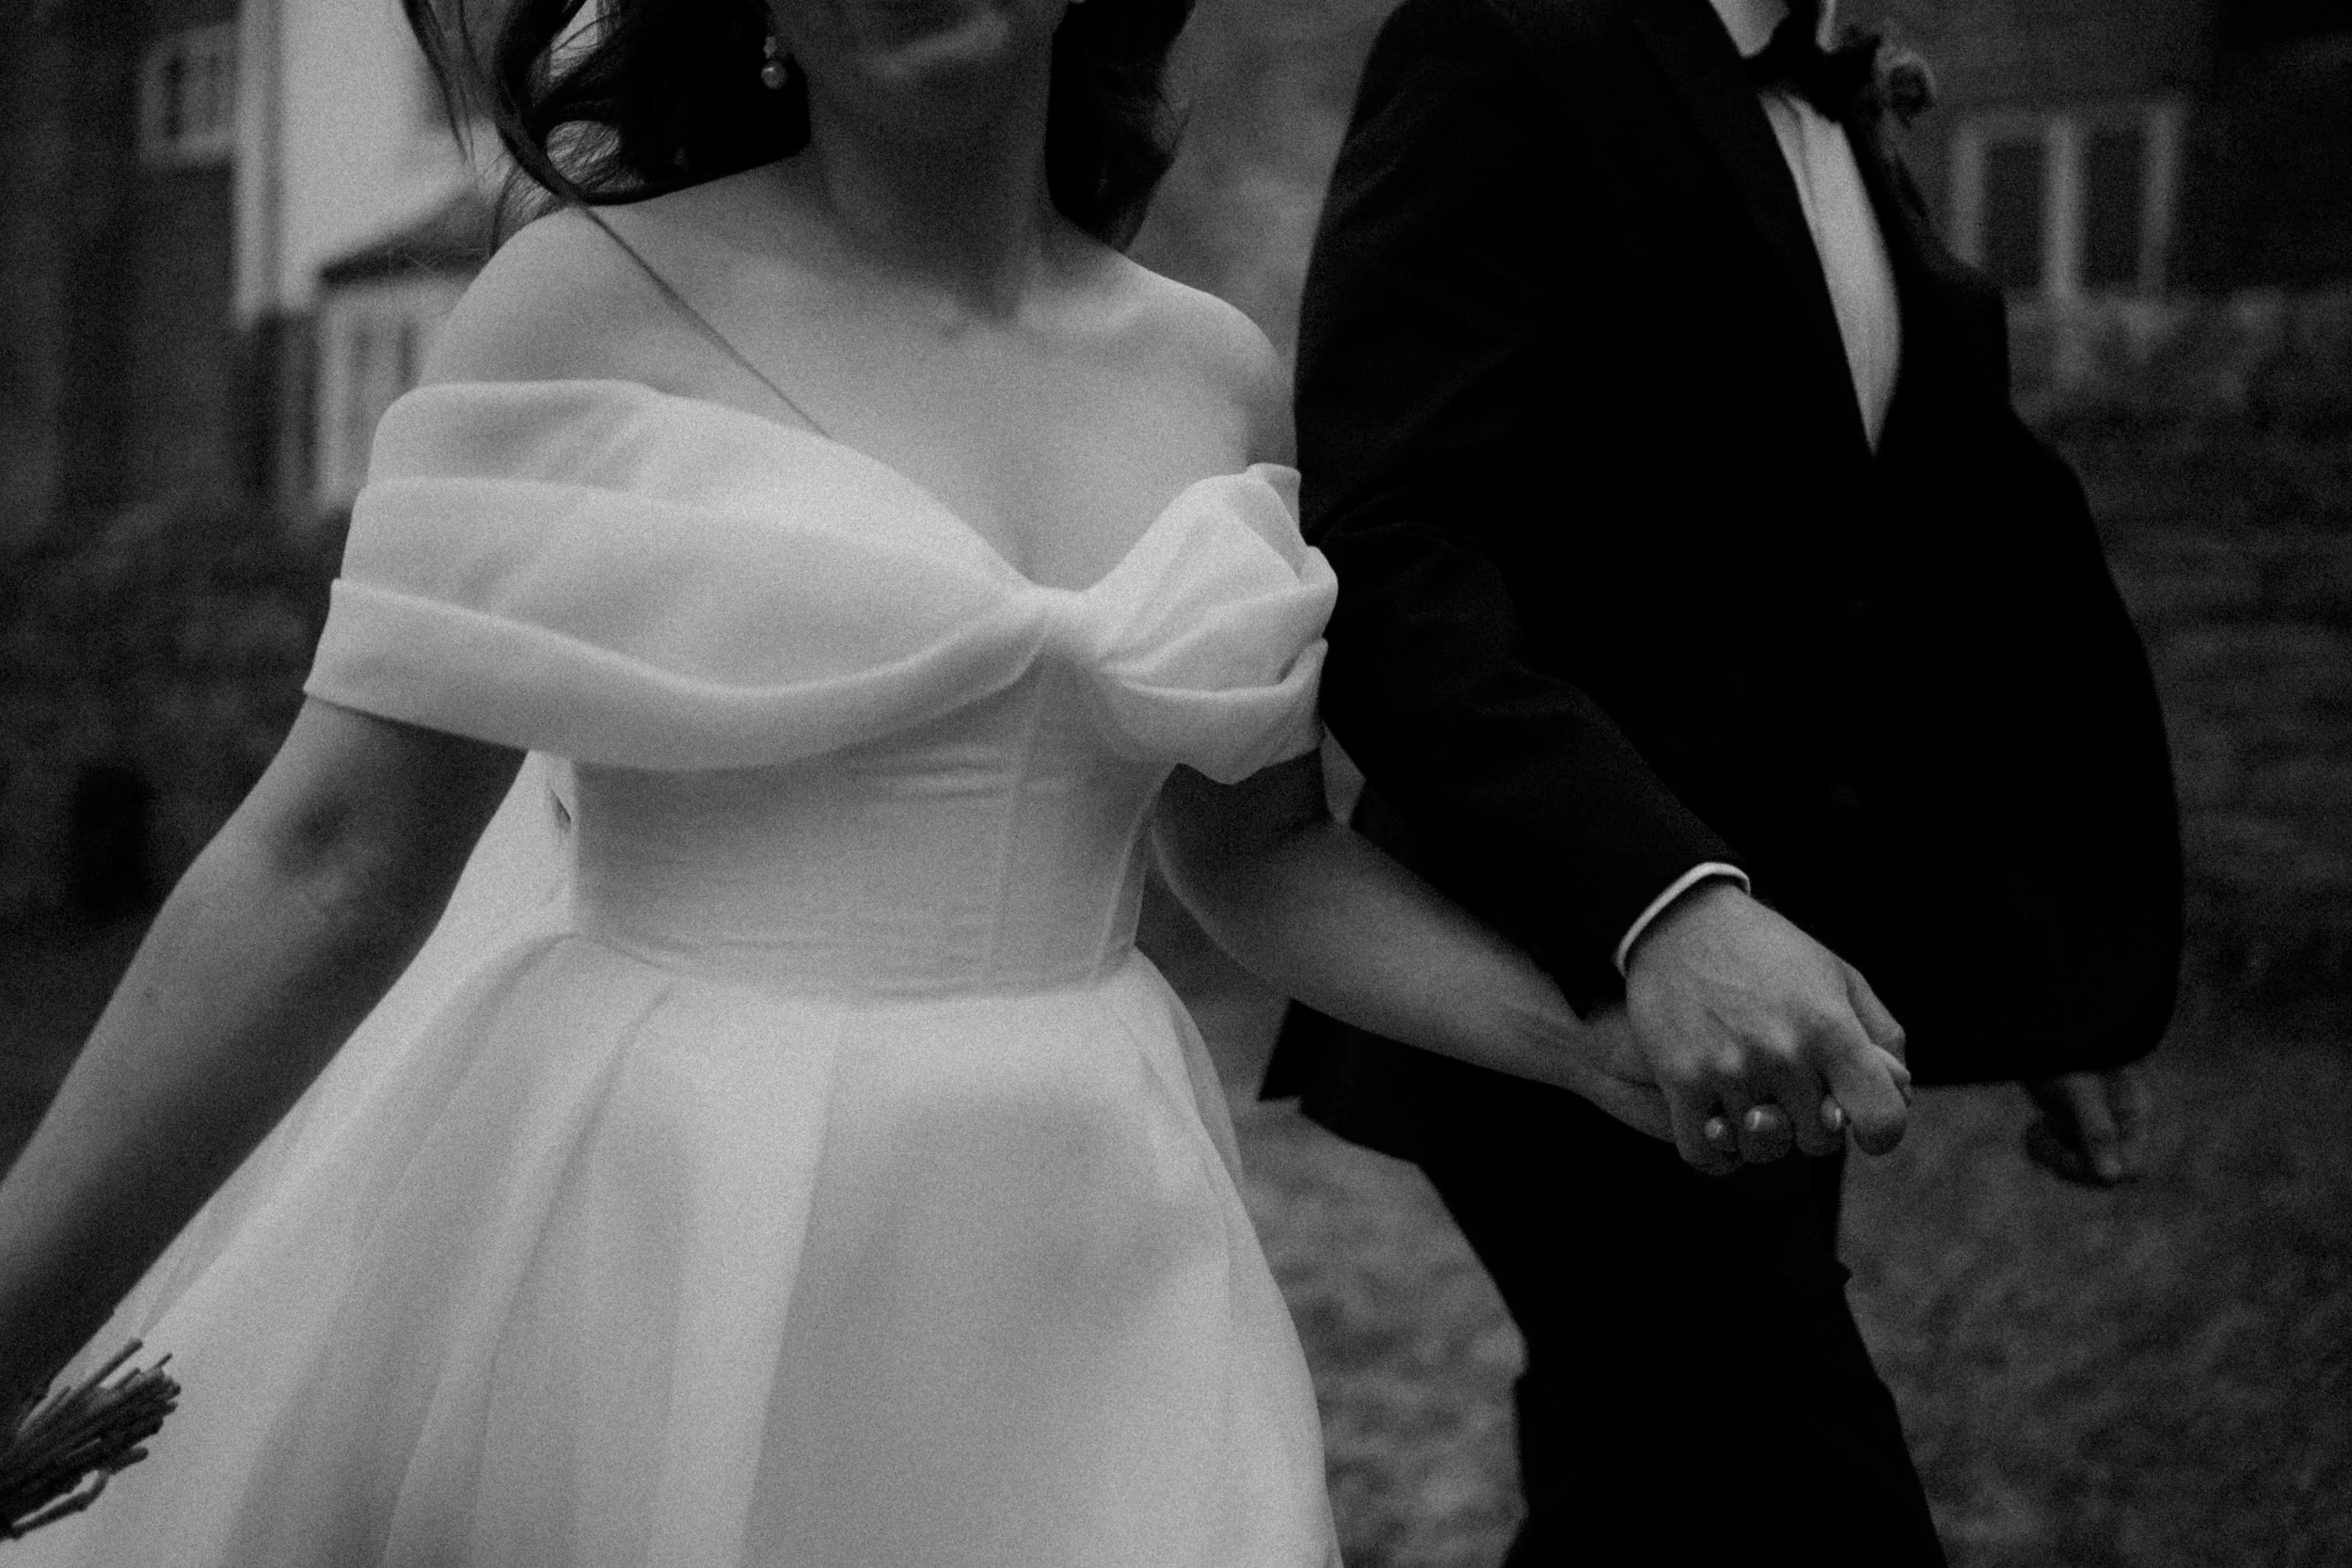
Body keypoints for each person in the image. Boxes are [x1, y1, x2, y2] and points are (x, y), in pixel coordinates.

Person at [0, 0, 1881, 1560]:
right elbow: (331, 857)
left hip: (1084, 1220)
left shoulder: (1211, 370)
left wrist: (1572, 1032)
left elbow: (1251, 860)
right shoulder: (577, 301)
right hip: (666, 1202)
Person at [1264, 0, 2184, 1561]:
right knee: (1803, 1513)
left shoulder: (1835, 87)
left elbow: (1873, 581)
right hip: (1567, 985)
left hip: (1794, 1014)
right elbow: (1391, 542)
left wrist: (2019, 963)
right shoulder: (1506, 40)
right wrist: (1655, 903)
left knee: (1628, 1516)